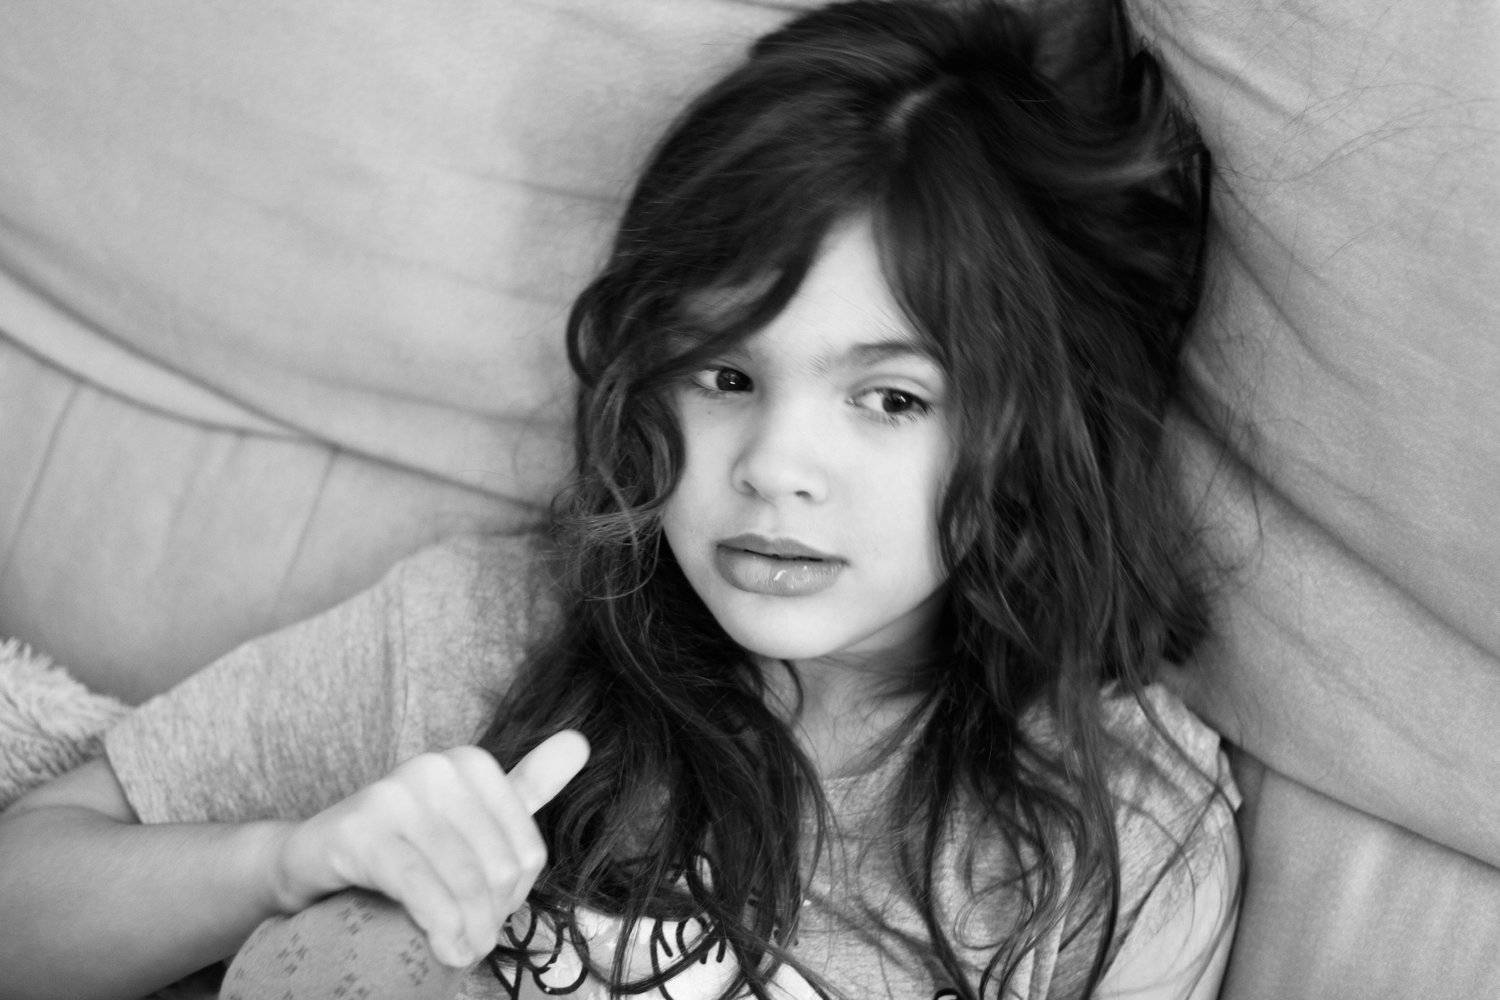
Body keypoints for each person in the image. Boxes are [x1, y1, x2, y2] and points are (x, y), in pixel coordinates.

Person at [0, 1, 1239, 998]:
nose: (774, 464)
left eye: (891, 397)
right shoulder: (479, 634)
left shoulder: (1124, 830)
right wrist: (289, 861)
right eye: (725, 375)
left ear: (1039, 428)